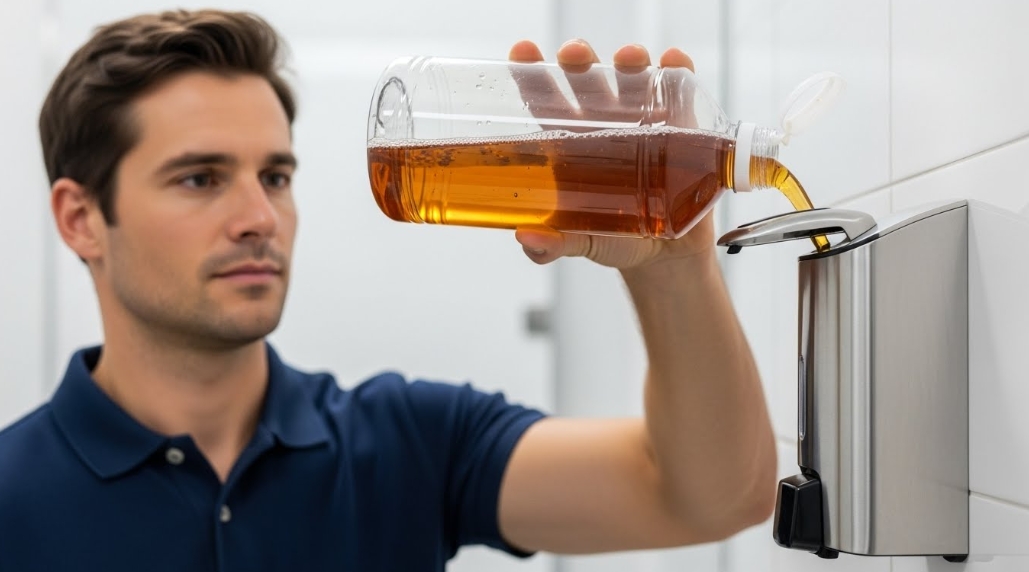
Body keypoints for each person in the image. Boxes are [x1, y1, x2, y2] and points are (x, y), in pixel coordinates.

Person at [0, 9, 776, 571]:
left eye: (275, 175)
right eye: (200, 178)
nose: (259, 217)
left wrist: (672, 269)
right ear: (81, 219)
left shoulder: (407, 441)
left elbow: (712, 498)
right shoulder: (13, 496)